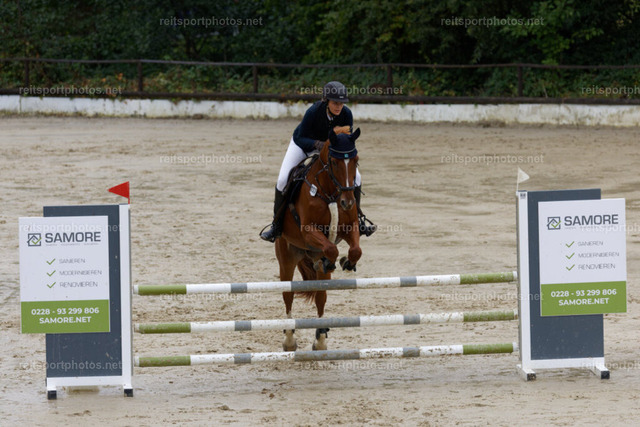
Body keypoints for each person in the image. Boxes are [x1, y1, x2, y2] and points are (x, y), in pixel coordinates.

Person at [260, 81, 376, 242]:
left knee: (357, 178)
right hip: (304, 146)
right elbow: (300, 138)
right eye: (335, 103)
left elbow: (346, 141)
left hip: (330, 151)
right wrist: (317, 144)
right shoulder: (313, 112)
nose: (339, 107)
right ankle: (276, 225)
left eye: (341, 103)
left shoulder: (346, 114)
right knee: (282, 179)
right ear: (326, 101)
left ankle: (358, 220)